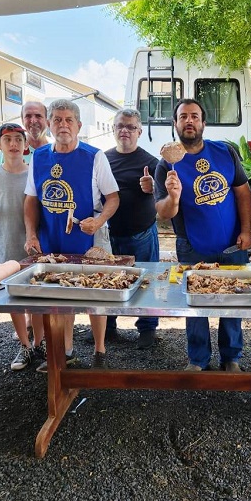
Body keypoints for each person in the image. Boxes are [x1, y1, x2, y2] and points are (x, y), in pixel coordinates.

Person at [154, 98, 251, 371]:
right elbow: (163, 212)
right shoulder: (166, 165)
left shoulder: (225, 152)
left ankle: (231, 358)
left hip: (233, 243)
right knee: (195, 303)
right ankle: (198, 359)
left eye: (194, 116)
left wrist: (246, 230)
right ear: (175, 124)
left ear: (203, 123)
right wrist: (174, 197)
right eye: (183, 116)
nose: (189, 121)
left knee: (233, 301)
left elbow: (242, 192)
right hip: (192, 245)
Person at [24, 99, 120, 369]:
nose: (63, 124)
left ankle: (100, 351)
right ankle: (66, 351)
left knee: (96, 294)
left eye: (68, 120)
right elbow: (31, 199)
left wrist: (99, 220)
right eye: (57, 119)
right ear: (49, 124)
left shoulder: (94, 156)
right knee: (59, 295)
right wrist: (31, 234)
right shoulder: (39, 157)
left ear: (78, 125)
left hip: (89, 237)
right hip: (52, 237)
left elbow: (113, 198)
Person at [83, 109, 160, 349]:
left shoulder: (150, 162)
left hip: (141, 233)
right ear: (113, 130)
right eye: (119, 126)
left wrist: (153, 187)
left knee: (147, 282)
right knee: (106, 281)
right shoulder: (102, 158)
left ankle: (147, 329)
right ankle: (108, 326)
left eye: (130, 126)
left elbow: (165, 195)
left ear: (139, 131)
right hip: (108, 233)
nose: (124, 130)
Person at [0, 123, 46, 370]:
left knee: (37, 298)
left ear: (26, 146)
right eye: (8, 140)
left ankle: (40, 342)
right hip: (3, 246)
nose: (14, 144)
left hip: (33, 246)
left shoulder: (34, 173)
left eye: (18, 139)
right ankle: (25, 346)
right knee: (12, 299)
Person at [0, 101, 50, 165]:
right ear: (22, 120)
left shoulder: (55, 149)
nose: (33, 121)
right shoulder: (10, 149)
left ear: (47, 120)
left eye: (38, 116)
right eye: (28, 116)